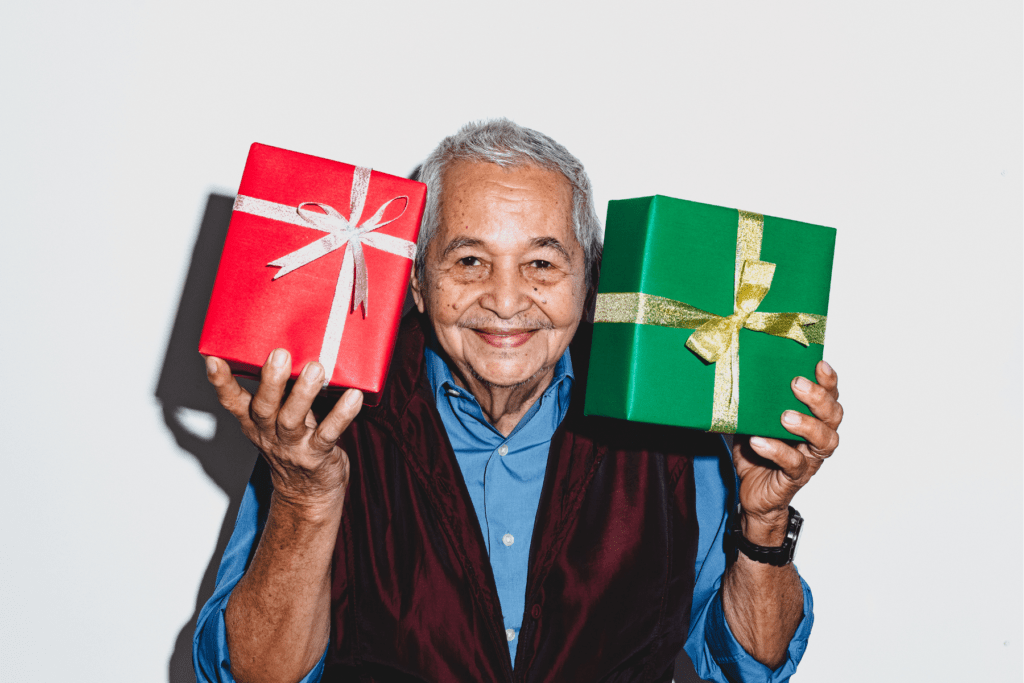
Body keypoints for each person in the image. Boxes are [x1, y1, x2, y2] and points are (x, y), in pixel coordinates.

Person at [194, 119, 843, 683]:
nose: (505, 301)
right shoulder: (325, 421)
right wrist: (306, 498)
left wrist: (763, 523)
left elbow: (747, 667)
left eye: (541, 264)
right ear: (418, 282)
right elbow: (253, 673)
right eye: (470, 261)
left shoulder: (669, 426)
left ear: (590, 279)